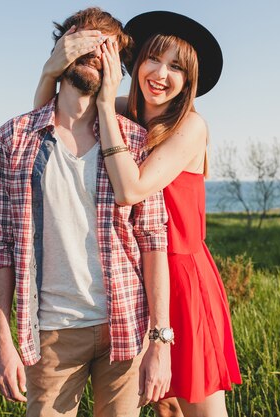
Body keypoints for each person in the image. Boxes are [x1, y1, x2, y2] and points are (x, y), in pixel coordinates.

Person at [34, 10, 242, 417]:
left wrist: (108, 106)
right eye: (154, 59)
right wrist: (49, 71)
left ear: (189, 80)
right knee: (163, 408)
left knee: (201, 409)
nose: (161, 74)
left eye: (177, 67)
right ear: (136, 60)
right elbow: (46, 124)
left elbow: (131, 189)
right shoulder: (124, 108)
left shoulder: (190, 126)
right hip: (137, 273)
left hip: (181, 277)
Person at [0, 8, 174, 417]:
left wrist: (160, 341)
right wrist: (1, 341)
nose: (94, 52)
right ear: (62, 48)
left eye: (106, 48)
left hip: (126, 326)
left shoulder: (135, 142)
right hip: (51, 334)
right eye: (83, 42)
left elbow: (154, 240)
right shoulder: (12, 138)